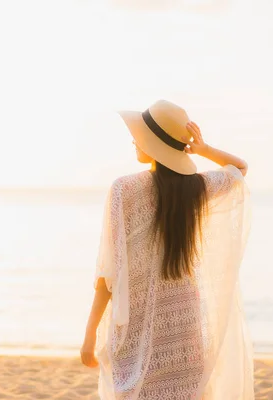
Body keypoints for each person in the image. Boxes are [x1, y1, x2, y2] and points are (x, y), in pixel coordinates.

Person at [80, 100, 254, 400]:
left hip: (136, 324)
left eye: (140, 136)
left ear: (154, 144)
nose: (134, 140)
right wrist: (203, 149)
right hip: (185, 323)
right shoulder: (198, 187)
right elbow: (239, 168)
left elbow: (109, 273)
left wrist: (89, 334)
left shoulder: (124, 190)